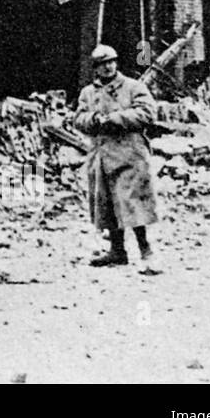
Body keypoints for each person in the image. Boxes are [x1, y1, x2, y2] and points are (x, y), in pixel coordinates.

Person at [73, 44, 158, 266]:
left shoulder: (133, 86)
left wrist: (115, 118)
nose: (108, 67)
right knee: (107, 204)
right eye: (103, 64)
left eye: (111, 62)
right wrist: (93, 119)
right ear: (96, 68)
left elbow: (148, 112)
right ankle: (117, 251)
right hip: (102, 155)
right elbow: (78, 118)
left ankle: (145, 249)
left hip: (130, 154)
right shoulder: (88, 93)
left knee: (132, 202)